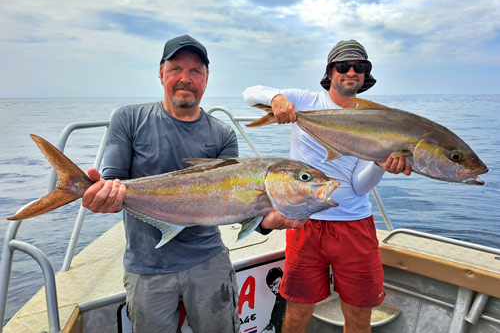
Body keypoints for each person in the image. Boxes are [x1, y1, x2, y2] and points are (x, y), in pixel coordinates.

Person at [81, 35, 302, 333]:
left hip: (208, 258)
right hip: (147, 265)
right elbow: (112, 183)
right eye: (176, 69)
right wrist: (101, 194)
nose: (185, 78)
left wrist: (266, 222)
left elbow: (233, 205)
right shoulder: (129, 119)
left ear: (207, 79)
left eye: (196, 71)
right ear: (161, 73)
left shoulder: (222, 134)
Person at [242, 39, 411, 333]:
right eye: (343, 66)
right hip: (305, 223)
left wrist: (380, 165)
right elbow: (249, 93)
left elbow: (359, 187)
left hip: (354, 225)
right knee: (297, 312)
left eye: (360, 67)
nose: (351, 72)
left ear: (365, 75)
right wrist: (278, 99)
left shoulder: (371, 119)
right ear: (330, 72)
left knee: (359, 317)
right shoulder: (307, 101)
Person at [260, 267, 287, 333]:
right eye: (271, 287)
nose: (273, 289)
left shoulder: (291, 295)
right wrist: (271, 323)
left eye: (275, 283)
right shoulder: (279, 297)